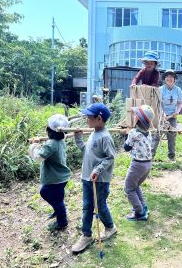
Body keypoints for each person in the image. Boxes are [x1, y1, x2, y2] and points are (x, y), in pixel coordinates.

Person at [72, 103, 117, 253]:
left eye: (89, 117)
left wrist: (97, 170)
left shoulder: (105, 137)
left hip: (100, 180)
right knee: (87, 206)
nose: (86, 119)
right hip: (87, 177)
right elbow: (87, 150)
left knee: (100, 205)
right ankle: (86, 235)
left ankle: (110, 227)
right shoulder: (93, 132)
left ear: (99, 118)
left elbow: (110, 158)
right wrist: (78, 139)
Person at [29, 114, 71, 232]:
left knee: (48, 194)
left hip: (55, 178)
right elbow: (52, 145)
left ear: (48, 130)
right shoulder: (60, 140)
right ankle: (59, 211)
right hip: (61, 177)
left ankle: (62, 222)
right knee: (57, 198)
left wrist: (33, 144)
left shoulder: (51, 144)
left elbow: (38, 158)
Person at [123, 105, 155, 221]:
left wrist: (125, 135)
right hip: (147, 164)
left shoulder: (133, 133)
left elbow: (126, 147)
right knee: (135, 185)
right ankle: (143, 207)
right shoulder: (149, 133)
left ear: (139, 119)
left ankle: (139, 212)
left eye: (136, 115)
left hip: (137, 165)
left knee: (128, 188)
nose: (134, 116)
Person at [152, 69, 182, 160]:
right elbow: (157, 103)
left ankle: (171, 157)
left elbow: (180, 102)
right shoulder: (161, 89)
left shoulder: (178, 90)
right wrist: (162, 114)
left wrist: (177, 111)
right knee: (157, 134)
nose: (169, 78)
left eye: (171, 77)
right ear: (164, 79)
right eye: (167, 77)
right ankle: (151, 156)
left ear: (174, 79)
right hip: (161, 115)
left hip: (172, 116)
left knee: (172, 135)